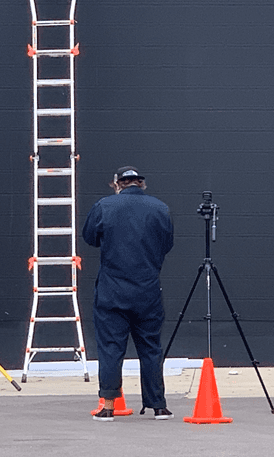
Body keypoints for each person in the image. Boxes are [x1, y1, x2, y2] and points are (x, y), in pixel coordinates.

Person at [82, 166, 175, 421]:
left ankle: (109, 406)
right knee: (151, 348)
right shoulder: (160, 208)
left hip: (112, 292)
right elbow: (167, 244)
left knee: (111, 348)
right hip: (147, 290)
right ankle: (158, 406)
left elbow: (89, 237)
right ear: (141, 183)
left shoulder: (105, 206)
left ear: (117, 184)